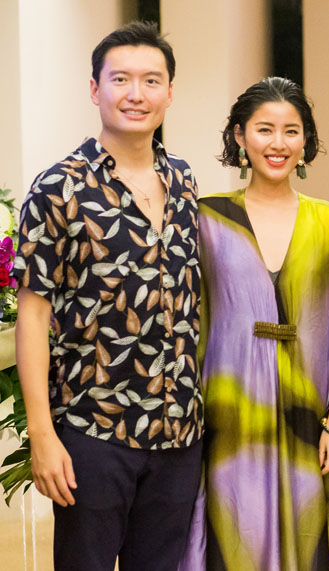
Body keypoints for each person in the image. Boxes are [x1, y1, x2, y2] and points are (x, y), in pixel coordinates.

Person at [12, 21, 202, 570]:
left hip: (178, 434)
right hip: (95, 431)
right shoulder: (59, 187)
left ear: (170, 93)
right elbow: (32, 317)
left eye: (151, 80)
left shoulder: (184, 181)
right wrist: (42, 436)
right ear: (95, 89)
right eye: (121, 79)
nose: (136, 94)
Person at [178, 77, 329, 570]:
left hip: (310, 415)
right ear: (240, 136)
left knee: (310, 542)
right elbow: (189, 321)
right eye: (265, 129)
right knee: (235, 540)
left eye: (291, 130)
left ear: (306, 141)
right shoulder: (208, 219)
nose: (278, 143)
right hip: (229, 418)